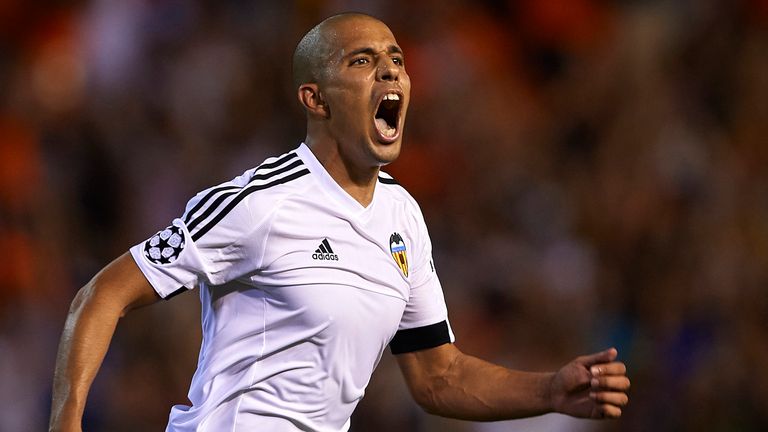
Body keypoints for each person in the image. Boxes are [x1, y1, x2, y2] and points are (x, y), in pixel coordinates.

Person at [49, 12, 630, 432]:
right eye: (363, 61)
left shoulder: (403, 217)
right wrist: (67, 422)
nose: (391, 73)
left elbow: (438, 376)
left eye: (396, 60)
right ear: (316, 99)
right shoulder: (258, 202)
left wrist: (549, 389)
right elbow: (101, 296)